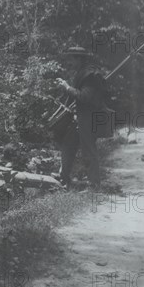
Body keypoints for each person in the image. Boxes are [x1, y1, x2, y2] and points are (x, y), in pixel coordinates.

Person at [55, 46, 107, 188]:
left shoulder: (90, 75)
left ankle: (94, 184)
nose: (69, 62)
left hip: (89, 118)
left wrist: (67, 87)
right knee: (68, 144)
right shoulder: (82, 72)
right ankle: (64, 177)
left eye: (71, 59)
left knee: (88, 150)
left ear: (79, 59)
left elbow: (84, 97)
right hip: (80, 117)